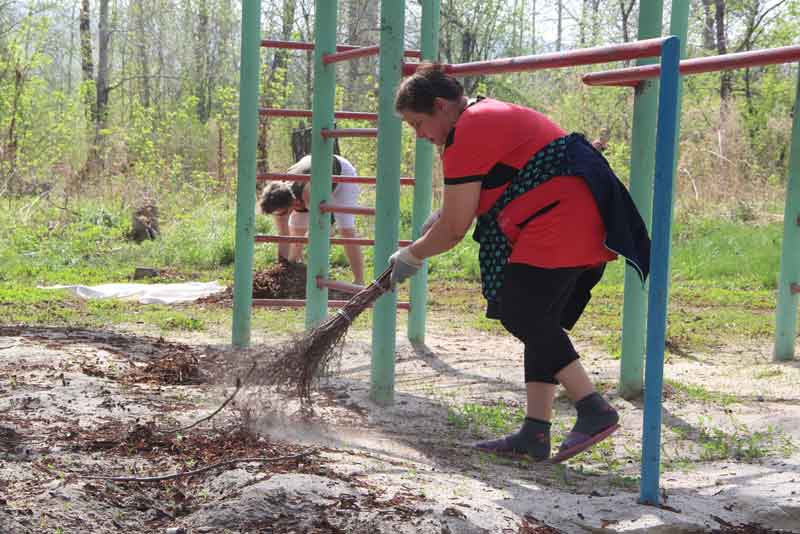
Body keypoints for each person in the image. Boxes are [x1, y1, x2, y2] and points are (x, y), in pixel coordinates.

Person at [389, 63, 650, 463]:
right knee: (539, 319)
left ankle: (593, 407)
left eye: (417, 124)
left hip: (563, 215)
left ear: (441, 106)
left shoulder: (468, 131)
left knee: (520, 310)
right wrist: (438, 222)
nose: (420, 136)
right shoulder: (480, 115)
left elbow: (456, 227)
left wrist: (412, 254)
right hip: (569, 211)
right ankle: (535, 432)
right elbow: (464, 204)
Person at [260, 154, 365, 285]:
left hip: (341, 176)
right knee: (296, 233)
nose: (280, 217)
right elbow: (284, 236)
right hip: (310, 174)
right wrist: (281, 270)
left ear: (293, 204)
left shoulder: (310, 193)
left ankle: (359, 281)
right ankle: (293, 274)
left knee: (346, 230)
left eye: (283, 214)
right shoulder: (277, 198)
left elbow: (324, 228)